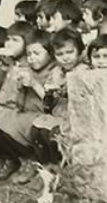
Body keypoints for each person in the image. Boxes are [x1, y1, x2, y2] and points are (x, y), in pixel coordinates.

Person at [0, 30, 56, 182]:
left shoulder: (53, 72)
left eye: (37, 53)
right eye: (29, 54)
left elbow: (51, 102)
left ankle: (32, 161)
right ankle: (15, 159)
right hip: (24, 112)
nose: (32, 58)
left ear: (50, 53)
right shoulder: (27, 69)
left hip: (43, 115)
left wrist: (34, 84)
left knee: (14, 126)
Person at [30, 28, 89, 165]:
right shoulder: (56, 71)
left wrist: (65, 90)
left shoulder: (83, 70)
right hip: (58, 112)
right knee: (36, 131)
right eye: (60, 54)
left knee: (53, 135)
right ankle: (47, 166)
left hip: (75, 116)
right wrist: (50, 92)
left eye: (70, 52)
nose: (65, 57)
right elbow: (48, 99)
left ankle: (62, 167)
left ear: (79, 51)